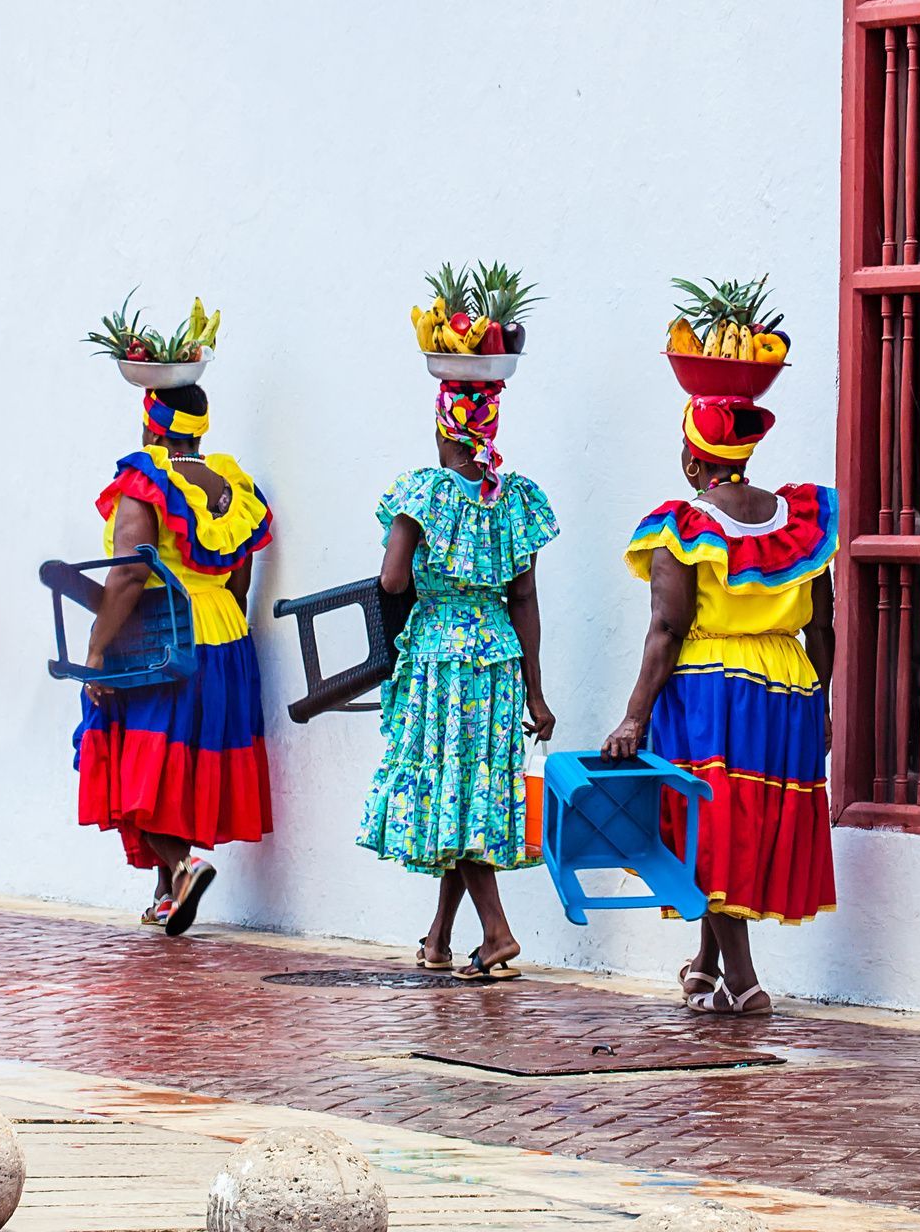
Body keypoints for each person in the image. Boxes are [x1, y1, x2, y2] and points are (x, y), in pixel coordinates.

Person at [603, 395, 837, 1017]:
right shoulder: (802, 520)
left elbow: (667, 627)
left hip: (711, 685)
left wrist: (634, 716)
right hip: (789, 684)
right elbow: (824, 626)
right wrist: (824, 705)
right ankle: (707, 965)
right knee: (744, 823)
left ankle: (744, 979)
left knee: (709, 830)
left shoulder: (681, 525)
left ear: (691, 459)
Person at [358, 381, 558, 981]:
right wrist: (537, 693)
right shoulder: (514, 499)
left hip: (441, 659)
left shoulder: (424, 493)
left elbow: (393, 581)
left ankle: (496, 933)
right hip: (497, 659)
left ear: (444, 426)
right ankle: (441, 938)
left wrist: (427, 571)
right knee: (470, 792)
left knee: (454, 792)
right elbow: (524, 598)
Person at [75, 384, 274, 936]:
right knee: (179, 759)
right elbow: (240, 573)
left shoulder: (145, 483)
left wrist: (97, 649)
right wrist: (224, 637)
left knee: (134, 760)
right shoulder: (231, 483)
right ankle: (165, 892)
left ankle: (185, 867)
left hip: (163, 635)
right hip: (224, 633)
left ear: (151, 424)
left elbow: (130, 572)